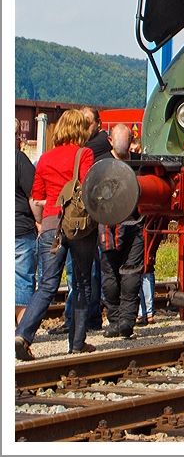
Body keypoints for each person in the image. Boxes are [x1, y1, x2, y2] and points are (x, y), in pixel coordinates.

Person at [16, 110, 99, 360]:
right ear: (80, 130)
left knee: (47, 285)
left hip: (52, 224)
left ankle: (22, 335)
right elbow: (89, 187)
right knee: (82, 283)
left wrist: (42, 223)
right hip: (79, 226)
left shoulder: (45, 158)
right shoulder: (84, 154)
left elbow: (38, 197)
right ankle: (76, 344)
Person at [56, 106, 108, 335]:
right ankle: (78, 326)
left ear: (97, 123)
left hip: (71, 219)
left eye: (89, 122)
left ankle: (85, 319)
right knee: (81, 276)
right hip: (76, 220)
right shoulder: (85, 150)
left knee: (81, 275)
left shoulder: (94, 147)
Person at [98, 124, 144, 339]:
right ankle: (123, 320)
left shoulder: (101, 165)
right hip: (126, 224)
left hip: (111, 225)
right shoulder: (138, 164)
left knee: (116, 275)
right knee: (126, 273)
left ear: (110, 141)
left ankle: (119, 321)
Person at [15, 119, 38, 329]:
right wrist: (39, 221)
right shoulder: (18, 159)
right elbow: (34, 196)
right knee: (22, 280)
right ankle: (22, 329)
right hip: (20, 229)